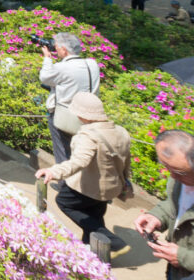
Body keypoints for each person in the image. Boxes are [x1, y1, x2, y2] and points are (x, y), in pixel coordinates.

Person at [34, 92, 131, 257]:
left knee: (64, 201)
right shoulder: (120, 132)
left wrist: (53, 171)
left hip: (89, 186)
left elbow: (78, 162)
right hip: (111, 186)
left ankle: (114, 242)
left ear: (83, 115)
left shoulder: (89, 135)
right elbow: (126, 160)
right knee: (92, 216)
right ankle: (95, 254)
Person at [134, 129, 194, 278]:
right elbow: (177, 205)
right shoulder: (180, 178)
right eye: (167, 167)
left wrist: (183, 257)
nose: (172, 176)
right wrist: (157, 216)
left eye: (180, 172)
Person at [39, 32, 100, 164]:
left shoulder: (62, 67)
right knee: (81, 152)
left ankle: (64, 183)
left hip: (65, 116)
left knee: (63, 152)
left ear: (64, 50)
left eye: (57, 47)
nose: (55, 49)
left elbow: (44, 77)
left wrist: (47, 58)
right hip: (88, 116)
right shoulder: (92, 64)